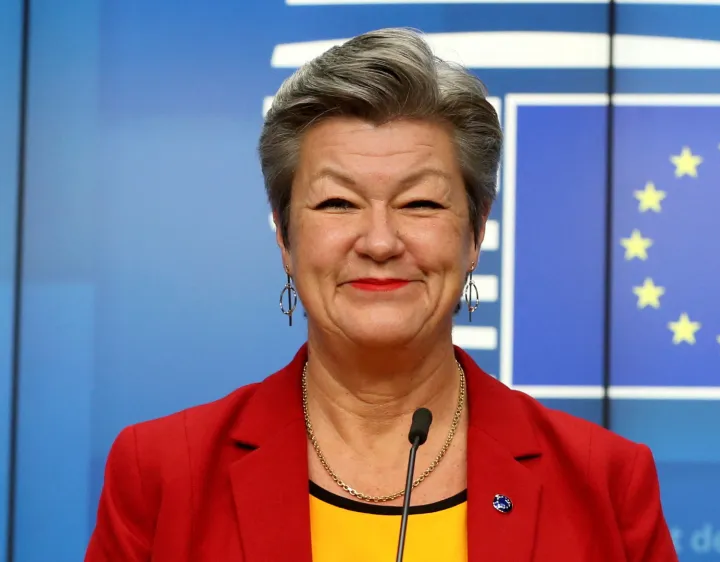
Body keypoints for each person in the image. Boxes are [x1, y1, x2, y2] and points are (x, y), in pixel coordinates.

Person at [84, 27, 679, 562]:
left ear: (476, 233)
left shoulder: (606, 480)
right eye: (337, 203)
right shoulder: (164, 471)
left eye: (419, 203)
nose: (379, 241)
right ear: (285, 237)